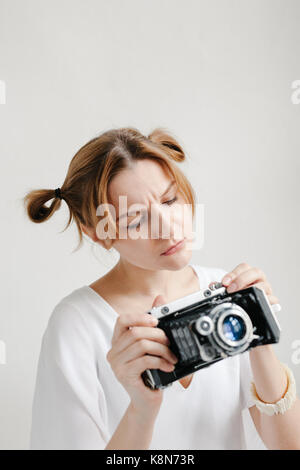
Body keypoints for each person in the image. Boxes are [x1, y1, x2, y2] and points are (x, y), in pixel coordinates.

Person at [24, 127, 300, 450]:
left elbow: (287, 446)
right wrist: (141, 410)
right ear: (96, 231)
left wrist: (260, 340)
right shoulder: (76, 324)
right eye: (136, 219)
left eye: (170, 200)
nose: (169, 228)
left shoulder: (224, 291)